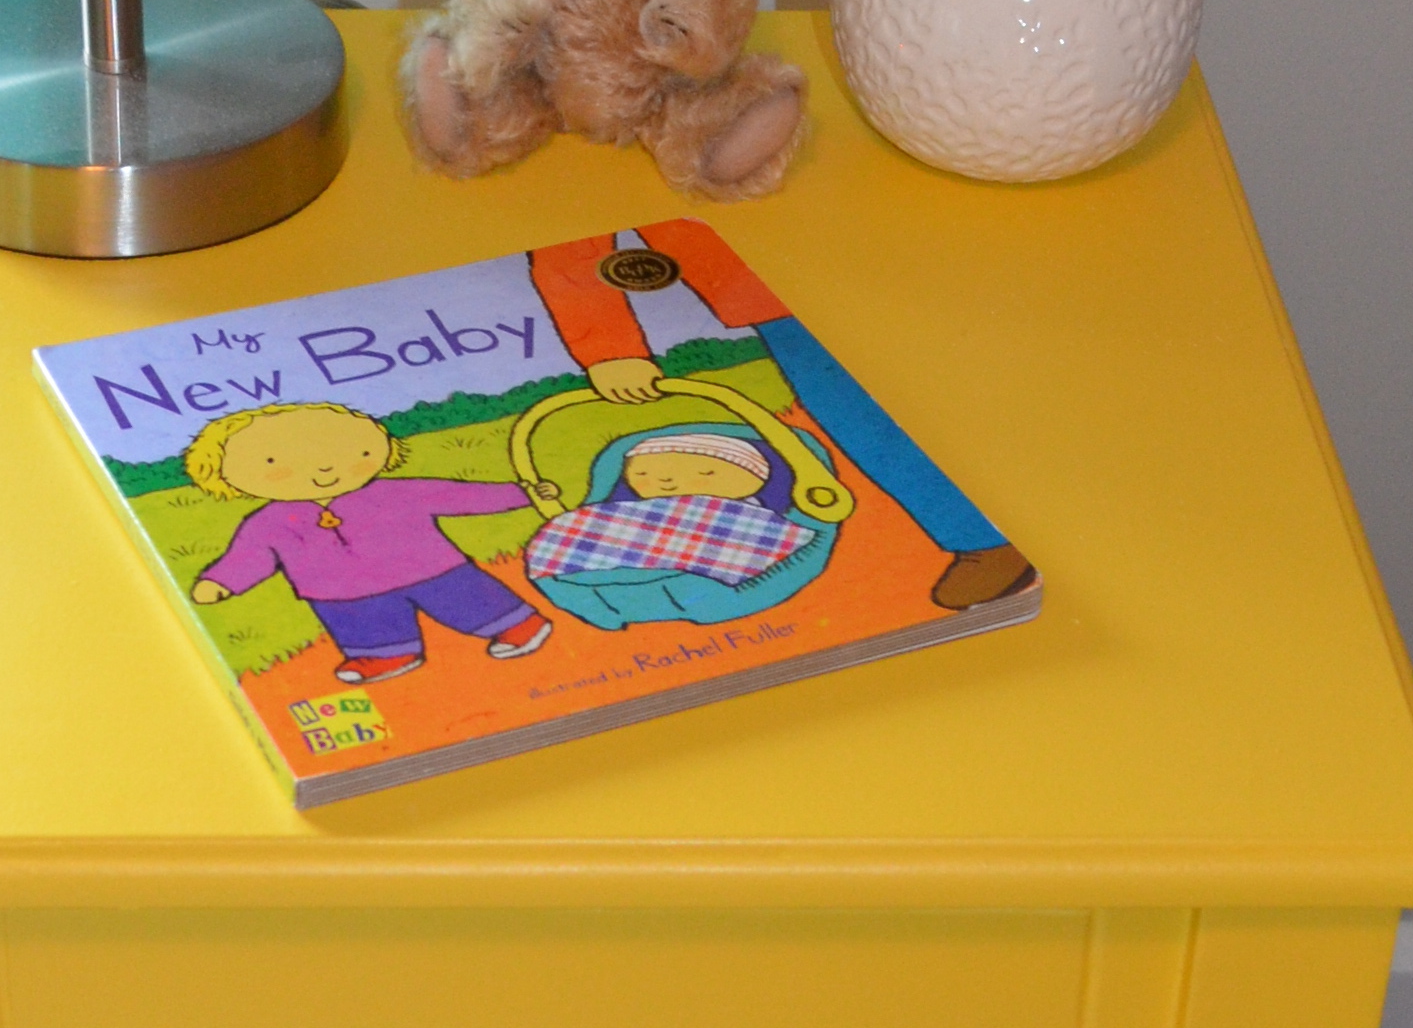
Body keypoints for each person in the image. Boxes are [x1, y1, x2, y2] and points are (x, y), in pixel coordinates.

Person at [529, 224, 1032, 609]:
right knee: (863, 416)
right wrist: (609, 347)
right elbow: (568, 247)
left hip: (884, 247)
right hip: (767, 289)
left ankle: (985, 536)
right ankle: (980, 539)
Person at [185, 401, 552, 688]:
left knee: (467, 599)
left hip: (431, 568)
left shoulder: (395, 492)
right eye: (272, 461)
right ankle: (384, 655)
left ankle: (517, 625)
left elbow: (457, 496)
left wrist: (521, 494)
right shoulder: (268, 522)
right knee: (365, 625)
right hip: (340, 592)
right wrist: (221, 581)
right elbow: (249, 555)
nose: (324, 467)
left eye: (343, 448)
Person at [521, 422, 831, 632]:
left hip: (715, 562)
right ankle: (589, 590)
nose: (666, 481)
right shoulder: (628, 510)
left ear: (758, 478)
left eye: (706, 471)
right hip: (618, 557)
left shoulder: (749, 513)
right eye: (643, 473)